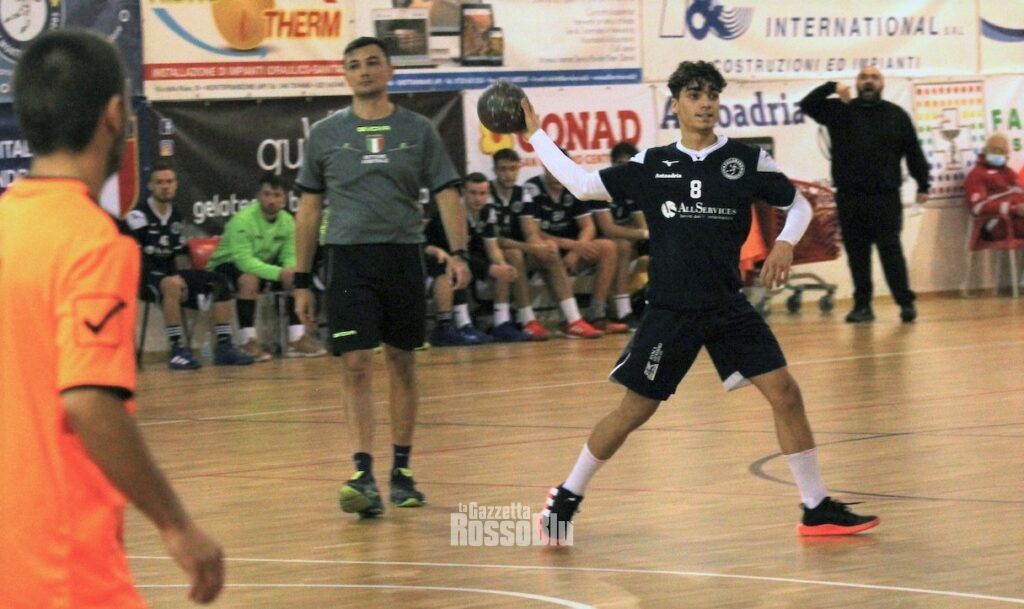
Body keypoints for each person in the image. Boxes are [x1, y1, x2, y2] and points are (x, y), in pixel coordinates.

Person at [523, 61, 879, 544]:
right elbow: (584, 185)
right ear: (676, 105)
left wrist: (784, 243)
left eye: (712, 94)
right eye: (695, 95)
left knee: (786, 394)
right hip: (671, 312)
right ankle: (565, 498)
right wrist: (536, 134)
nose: (706, 103)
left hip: (727, 306)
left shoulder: (745, 160)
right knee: (633, 411)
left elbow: (797, 204)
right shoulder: (653, 164)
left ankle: (815, 508)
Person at [0, 30, 224, 607]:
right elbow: (89, 402)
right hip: (64, 567)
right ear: (113, 115)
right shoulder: (93, 243)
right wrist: (176, 524)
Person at [293, 37, 471, 518]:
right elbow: (308, 209)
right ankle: (362, 474)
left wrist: (459, 254)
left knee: (401, 361)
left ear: (390, 71)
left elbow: (447, 194)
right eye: (354, 65)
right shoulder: (326, 134)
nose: (364, 70)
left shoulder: (418, 130)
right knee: (354, 363)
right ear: (345, 75)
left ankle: (402, 472)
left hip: (402, 256)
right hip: (348, 260)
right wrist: (302, 280)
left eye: (373, 62)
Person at [799, 67, 929, 323]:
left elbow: (913, 151)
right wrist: (832, 86)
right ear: (857, 84)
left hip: (885, 197)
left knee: (891, 252)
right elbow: (807, 104)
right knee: (858, 255)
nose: (869, 81)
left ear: (882, 84)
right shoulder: (840, 110)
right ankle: (862, 306)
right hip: (850, 196)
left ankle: (905, 303)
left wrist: (923, 184)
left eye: (874, 77)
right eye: (863, 77)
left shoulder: (896, 115)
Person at [126, 161, 254, 369]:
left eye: (169, 182)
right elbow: (133, 256)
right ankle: (177, 350)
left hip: (172, 274)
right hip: (145, 277)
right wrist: (171, 278)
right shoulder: (138, 216)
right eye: (159, 182)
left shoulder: (176, 214)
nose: (165, 186)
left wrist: (186, 276)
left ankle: (224, 346)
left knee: (219, 281)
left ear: (176, 184)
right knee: (171, 284)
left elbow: (179, 253)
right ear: (150, 186)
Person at [207, 172, 326, 360]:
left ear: (284, 199)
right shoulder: (243, 220)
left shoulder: (287, 221)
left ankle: (296, 339)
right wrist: (279, 273)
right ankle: (248, 341)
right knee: (249, 279)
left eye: (277, 195)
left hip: (263, 265)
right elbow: (244, 261)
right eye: (267, 194)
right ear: (258, 196)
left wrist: (289, 271)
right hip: (225, 265)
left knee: (297, 277)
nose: (271, 200)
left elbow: (290, 254)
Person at [489, 148, 603, 339]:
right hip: (491, 253)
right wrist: (533, 247)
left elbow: (530, 233)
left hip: (520, 250)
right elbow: (495, 240)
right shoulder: (487, 193)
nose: (508, 174)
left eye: (512, 169)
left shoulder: (522, 193)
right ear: (494, 171)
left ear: (518, 168)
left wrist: (542, 248)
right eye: (503, 169)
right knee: (514, 254)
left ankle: (574, 320)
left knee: (550, 252)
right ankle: (527, 320)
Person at [424, 172, 529, 345]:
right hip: (435, 260)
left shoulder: (487, 211)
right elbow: (456, 255)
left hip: (467, 260)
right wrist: (490, 269)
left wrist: (501, 265)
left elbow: (492, 248)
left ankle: (501, 322)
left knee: (501, 265)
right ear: (463, 192)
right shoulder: (453, 214)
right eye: (472, 193)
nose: (478, 198)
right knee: (454, 267)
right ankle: (457, 325)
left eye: (482, 193)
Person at [526, 160, 628, 333]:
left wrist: (576, 250)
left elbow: (588, 226)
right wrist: (573, 245)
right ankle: (568, 319)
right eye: (554, 170)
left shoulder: (574, 186)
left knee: (608, 247)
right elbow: (534, 232)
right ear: (545, 168)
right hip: (546, 247)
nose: (558, 176)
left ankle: (596, 315)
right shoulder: (532, 188)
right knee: (549, 248)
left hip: (573, 247)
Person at [591, 141, 650, 328]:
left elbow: (642, 223)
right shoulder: (600, 185)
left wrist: (641, 232)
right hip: (596, 242)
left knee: (656, 247)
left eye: (628, 164)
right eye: (619, 163)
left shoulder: (634, 188)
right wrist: (640, 232)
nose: (624, 168)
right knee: (622, 246)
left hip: (623, 243)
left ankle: (655, 306)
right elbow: (608, 229)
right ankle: (620, 311)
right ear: (612, 163)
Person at [964, 133, 1024, 240]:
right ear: (986, 151)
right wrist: (1014, 208)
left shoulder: (1007, 172)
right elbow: (977, 207)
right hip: (997, 223)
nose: (999, 154)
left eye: (1002, 151)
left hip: (1016, 219)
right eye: (995, 150)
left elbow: (1020, 189)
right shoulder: (976, 175)